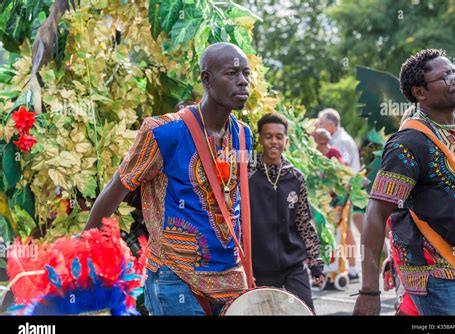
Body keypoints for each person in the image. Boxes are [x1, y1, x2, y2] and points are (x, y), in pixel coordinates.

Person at [83, 42, 254, 316]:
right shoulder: (163, 132)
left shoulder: (244, 135)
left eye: (246, 73)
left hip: (232, 279)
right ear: (206, 79)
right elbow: (117, 189)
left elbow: (235, 201)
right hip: (175, 279)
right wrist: (83, 249)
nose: (243, 81)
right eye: (232, 74)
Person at [353, 48, 455, 315]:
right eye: (445, 76)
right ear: (420, 93)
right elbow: (375, 214)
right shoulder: (408, 144)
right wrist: (369, 290)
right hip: (436, 271)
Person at [248, 113, 325, 312]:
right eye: (268, 136)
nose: (274, 141)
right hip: (258, 267)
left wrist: (316, 262)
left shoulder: (295, 177)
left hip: (293, 263)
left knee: (304, 310)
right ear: (260, 139)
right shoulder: (247, 172)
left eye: (279, 137)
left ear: (286, 140)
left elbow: (304, 223)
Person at [318, 108, 362, 281]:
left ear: (330, 124)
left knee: (344, 229)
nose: (318, 127)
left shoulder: (340, 142)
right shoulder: (337, 139)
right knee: (342, 229)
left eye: (321, 123)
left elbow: (342, 171)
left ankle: (350, 268)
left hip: (342, 192)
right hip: (339, 192)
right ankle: (343, 267)